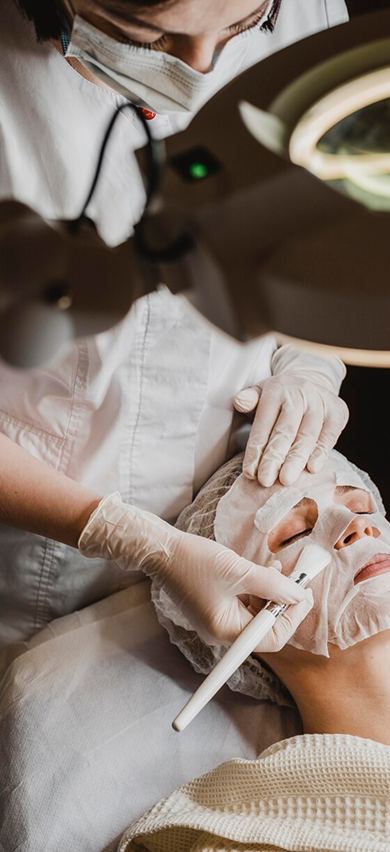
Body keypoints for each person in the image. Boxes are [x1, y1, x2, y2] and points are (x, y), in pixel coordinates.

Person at [0, 0, 350, 650]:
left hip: (223, 507)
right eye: (146, 34)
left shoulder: (311, 12)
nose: (202, 67)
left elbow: (315, 237)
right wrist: (132, 538)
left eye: (244, 27)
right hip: (22, 567)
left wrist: (309, 362)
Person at [118, 450, 390, 851]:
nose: (356, 527)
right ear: (238, 613)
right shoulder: (250, 835)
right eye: (294, 534)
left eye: (362, 506)